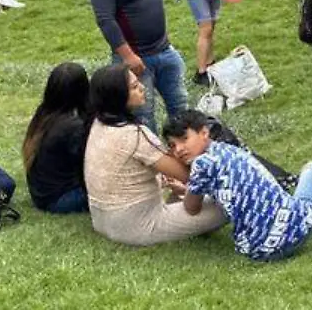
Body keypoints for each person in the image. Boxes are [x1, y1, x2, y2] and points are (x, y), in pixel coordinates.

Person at [164, 110, 312, 261]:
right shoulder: (227, 150)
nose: (179, 149)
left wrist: (184, 190)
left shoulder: (201, 164)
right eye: (173, 145)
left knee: (302, 182)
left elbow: (191, 207)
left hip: (259, 249)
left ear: (204, 133)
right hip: (290, 233)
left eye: (184, 139)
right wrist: (187, 190)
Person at [83, 65, 225, 245]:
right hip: (136, 226)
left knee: (182, 189)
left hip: (102, 219)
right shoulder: (134, 135)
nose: (142, 87)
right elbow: (189, 175)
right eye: (134, 87)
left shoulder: (98, 123)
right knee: (227, 204)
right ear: (118, 97)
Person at [88, 0, 189, 132]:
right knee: (144, 117)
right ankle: (152, 164)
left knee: (181, 108)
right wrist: (128, 56)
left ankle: (186, 156)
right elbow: (106, 20)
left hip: (165, 50)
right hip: (136, 58)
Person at [23, 63, 91, 213]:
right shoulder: (72, 127)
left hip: (43, 195)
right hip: (61, 199)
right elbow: (90, 165)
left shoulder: (44, 114)